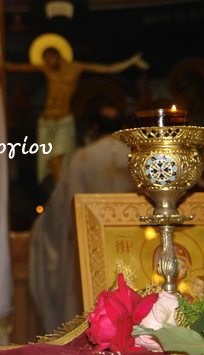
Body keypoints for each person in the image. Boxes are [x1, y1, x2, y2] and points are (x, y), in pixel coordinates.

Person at [29, 101, 137, 333]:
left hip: (91, 249)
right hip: (131, 248)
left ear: (94, 126)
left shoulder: (83, 158)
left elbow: (62, 207)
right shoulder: (136, 157)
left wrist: (40, 225)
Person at [7, 34, 148, 187]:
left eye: (49, 59)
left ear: (57, 56)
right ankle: (59, 188)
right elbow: (17, 67)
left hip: (63, 119)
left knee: (58, 157)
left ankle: (62, 189)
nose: (47, 64)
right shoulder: (46, 68)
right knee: (49, 160)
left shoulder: (75, 67)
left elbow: (106, 68)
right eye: (44, 61)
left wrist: (131, 62)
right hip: (46, 120)